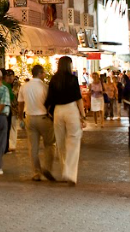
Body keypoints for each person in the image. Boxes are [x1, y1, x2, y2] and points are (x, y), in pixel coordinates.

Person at [45, 56, 85, 186]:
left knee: (61, 143)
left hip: (58, 111)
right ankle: (70, 174)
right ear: (69, 65)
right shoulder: (73, 79)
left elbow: (49, 99)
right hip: (71, 110)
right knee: (73, 141)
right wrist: (83, 115)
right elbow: (79, 98)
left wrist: (49, 113)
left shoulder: (54, 79)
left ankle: (64, 171)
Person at [17, 64, 55, 181]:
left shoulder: (24, 87)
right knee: (49, 144)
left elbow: (20, 104)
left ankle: (36, 172)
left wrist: (20, 118)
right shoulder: (45, 87)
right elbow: (49, 103)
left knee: (33, 147)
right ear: (40, 73)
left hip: (29, 118)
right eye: (43, 73)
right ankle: (47, 167)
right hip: (43, 118)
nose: (44, 75)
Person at [4, 69, 18, 153]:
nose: (9, 78)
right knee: (8, 127)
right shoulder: (5, 85)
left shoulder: (16, 85)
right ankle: (7, 145)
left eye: (11, 76)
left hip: (14, 109)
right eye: (8, 76)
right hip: (7, 109)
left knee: (13, 127)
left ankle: (12, 145)